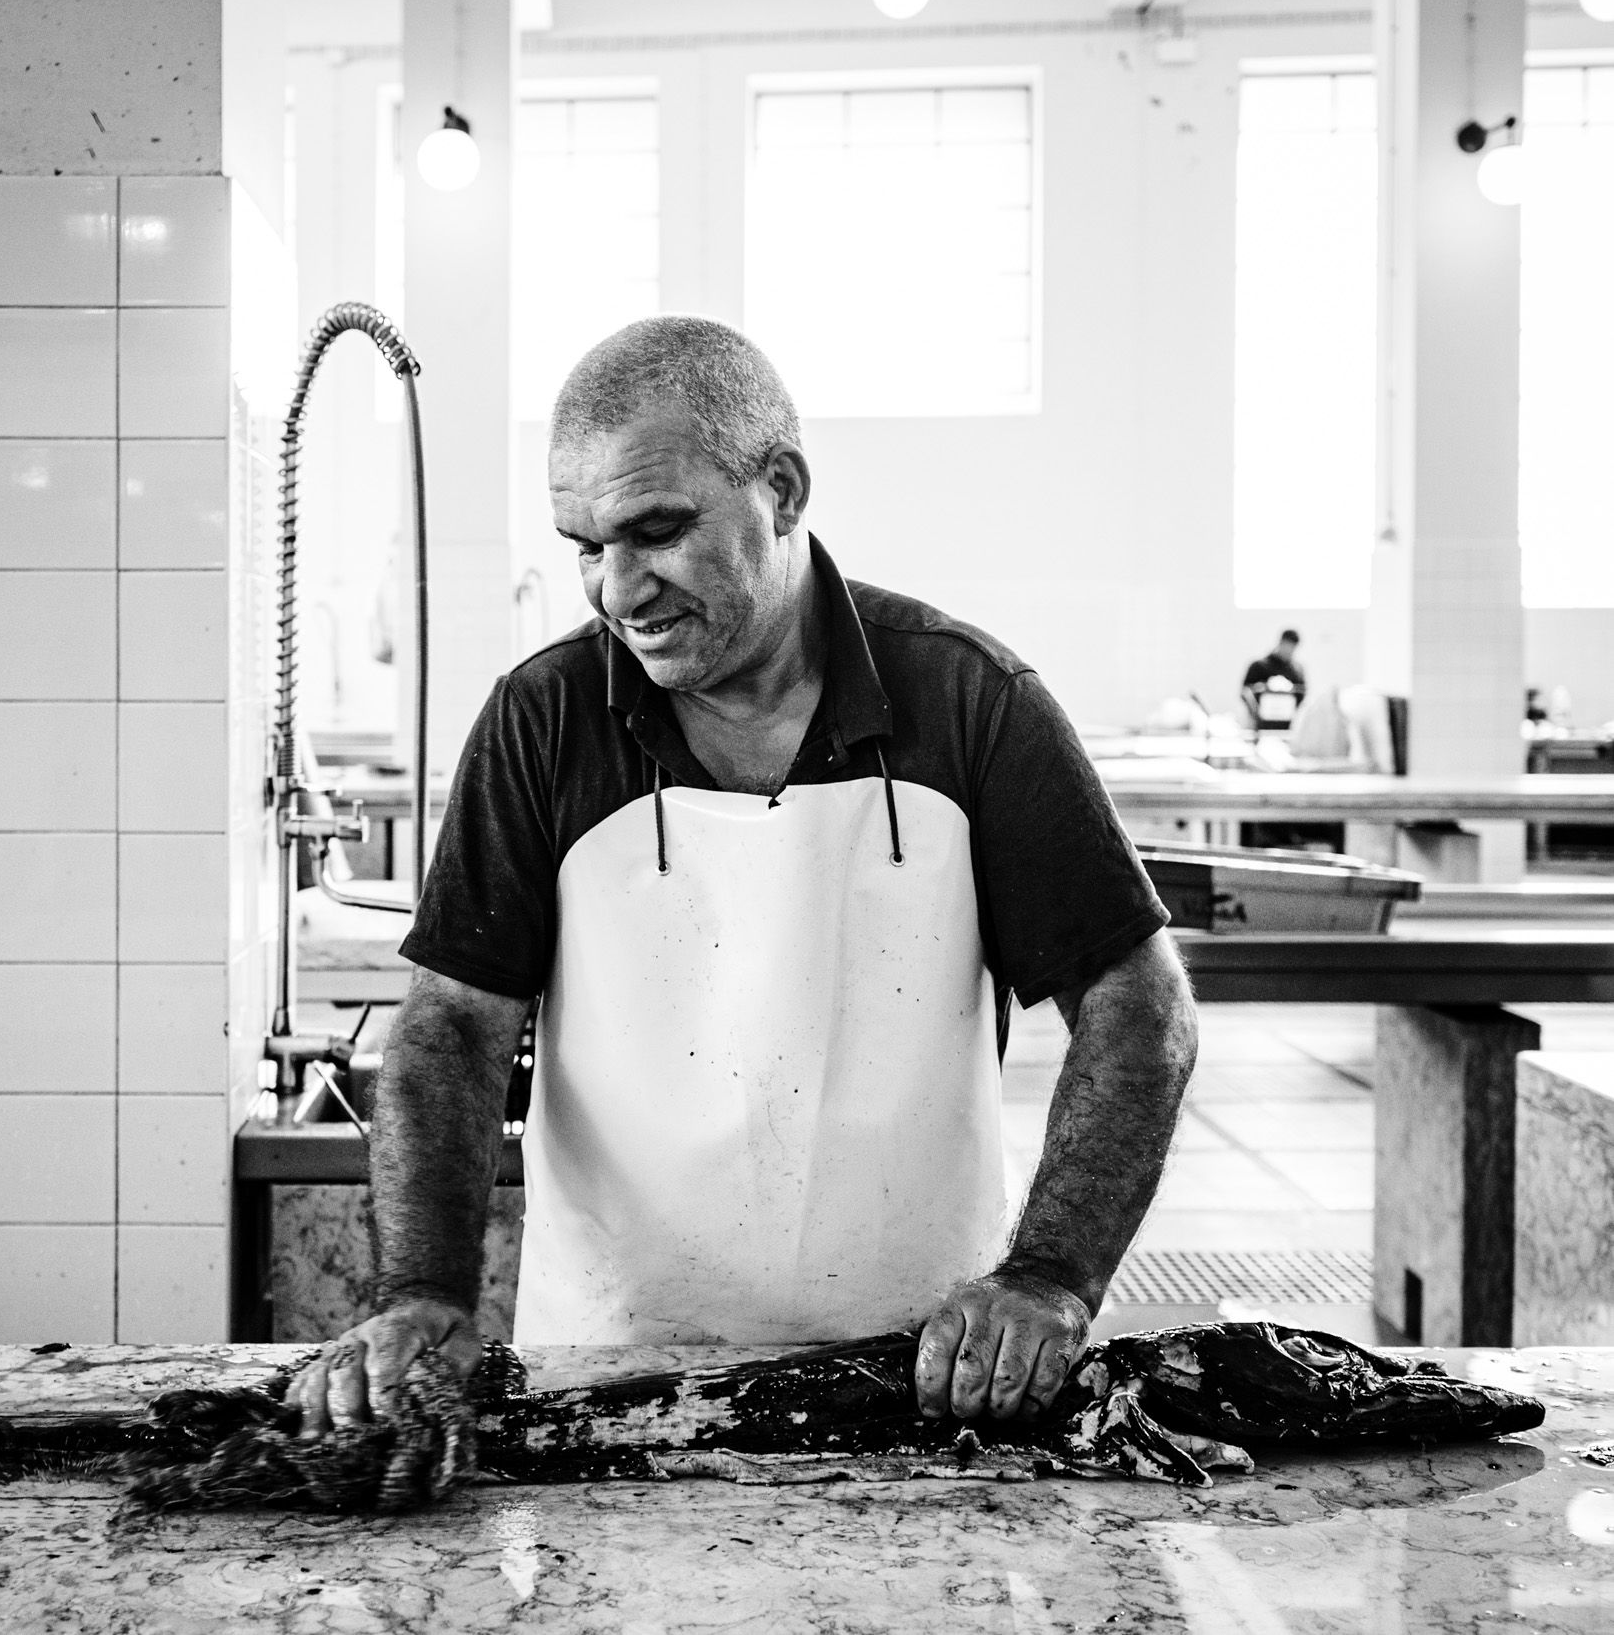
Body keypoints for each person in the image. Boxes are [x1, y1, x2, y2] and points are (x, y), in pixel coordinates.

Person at [292, 317, 1198, 1435]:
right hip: (607, 1377)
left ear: (782, 488)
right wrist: (420, 1292)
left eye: (656, 530)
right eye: (584, 544)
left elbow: (1137, 1005)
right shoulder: (545, 717)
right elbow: (451, 1029)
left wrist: (1052, 1272)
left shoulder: (968, 703)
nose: (617, 591)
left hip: (919, 1384)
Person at [1241, 631, 1305, 730]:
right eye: (1287, 645)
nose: (1289, 650)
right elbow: (1245, 692)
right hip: (1260, 725)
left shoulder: (1296, 671)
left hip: (1286, 725)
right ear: (1280, 643)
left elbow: (1301, 694)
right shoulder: (1260, 666)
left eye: (1292, 647)